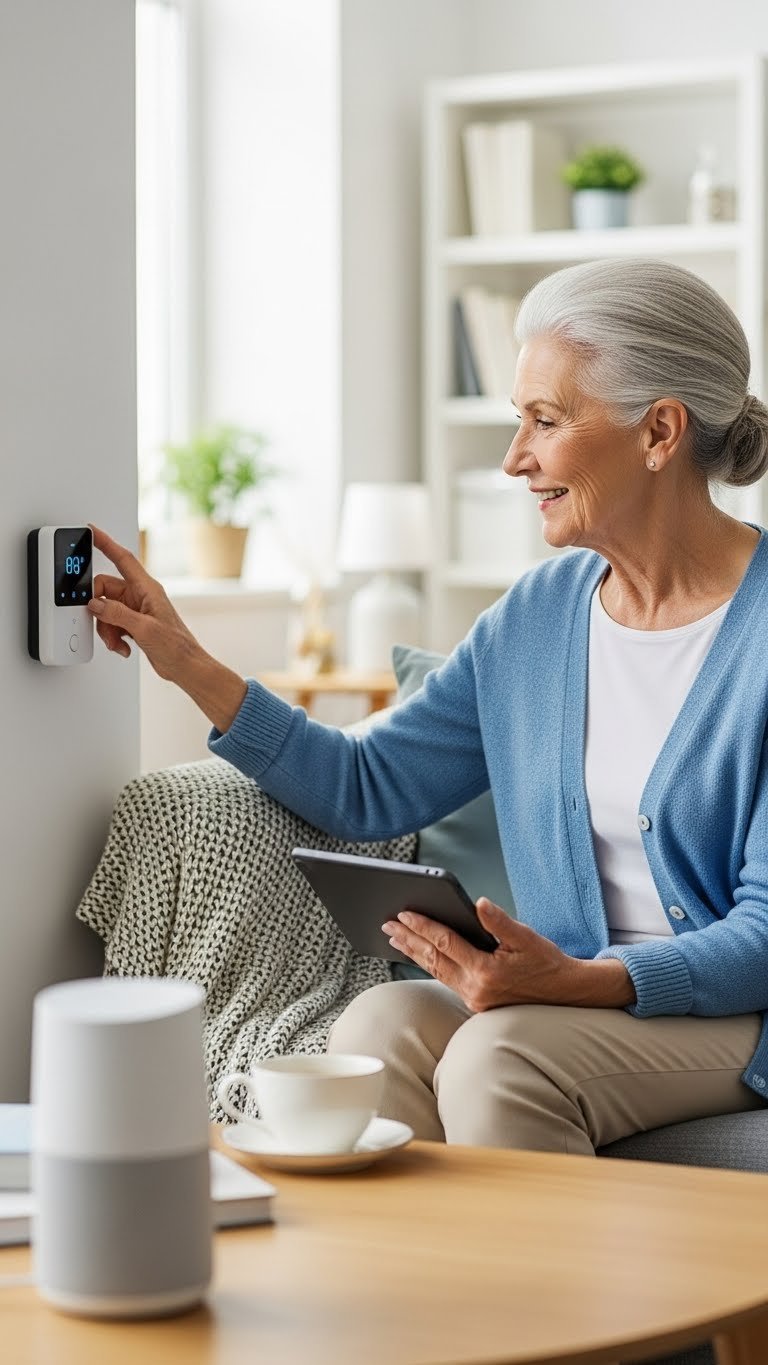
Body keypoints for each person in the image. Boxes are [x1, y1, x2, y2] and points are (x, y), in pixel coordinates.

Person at [90, 256, 768, 1156]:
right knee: (378, 1027)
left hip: (734, 1008)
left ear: (660, 431)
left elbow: (760, 936)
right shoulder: (536, 618)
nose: (514, 459)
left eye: (545, 420)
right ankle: (404, 1296)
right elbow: (367, 786)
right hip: (561, 996)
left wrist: (584, 982)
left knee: (500, 1058)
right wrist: (185, 660)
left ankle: (551, 1302)